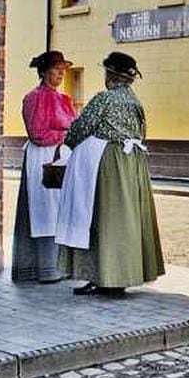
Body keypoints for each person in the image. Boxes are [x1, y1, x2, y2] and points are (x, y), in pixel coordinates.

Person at [57, 52, 165, 296]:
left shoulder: (104, 99)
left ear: (112, 75)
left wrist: (69, 144)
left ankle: (105, 275)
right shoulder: (135, 102)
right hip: (131, 163)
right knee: (126, 219)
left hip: (107, 162)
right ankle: (122, 274)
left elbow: (80, 128)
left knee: (102, 216)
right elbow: (142, 133)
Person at [12, 51, 77, 283]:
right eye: (56, 69)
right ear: (43, 72)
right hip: (43, 158)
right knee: (45, 210)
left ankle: (62, 265)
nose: (60, 73)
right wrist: (66, 135)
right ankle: (45, 268)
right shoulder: (35, 97)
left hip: (61, 156)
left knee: (62, 209)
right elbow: (38, 133)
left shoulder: (63, 99)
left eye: (63, 69)